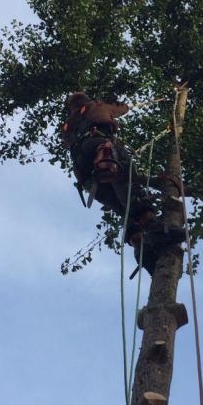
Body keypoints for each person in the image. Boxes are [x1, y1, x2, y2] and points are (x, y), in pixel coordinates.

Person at [62, 91, 184, 274]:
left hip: (84, 173)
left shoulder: (68, 124)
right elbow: (123, 109)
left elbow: (67, 142)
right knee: (128, 182)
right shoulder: (98, 105)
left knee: (124, 209)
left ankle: (141, 248)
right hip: (100, 147)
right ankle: (156, 231)